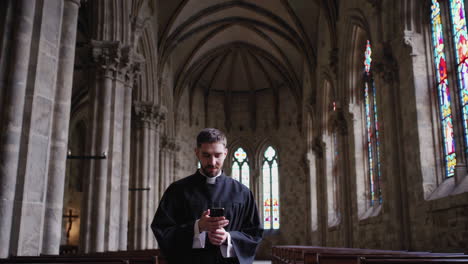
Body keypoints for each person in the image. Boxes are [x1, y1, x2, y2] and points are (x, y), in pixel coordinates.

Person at [151, 128, 263, 264]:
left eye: (218, 155)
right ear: (197, 153)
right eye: (206, 155)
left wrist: (228, 238)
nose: (212, 162)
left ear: (226, 153)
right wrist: (197, 227)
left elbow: (254, 234)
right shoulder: (177, 190)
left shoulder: (242, 193)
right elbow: (162, 230)